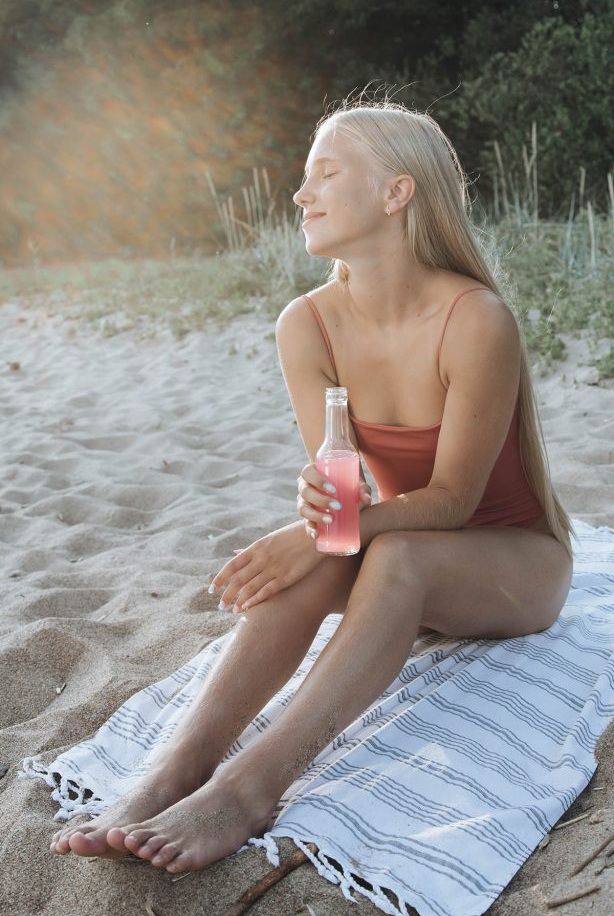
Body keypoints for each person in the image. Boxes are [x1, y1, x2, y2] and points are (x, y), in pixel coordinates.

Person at [49, 98, 574, 876]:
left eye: (325, 173)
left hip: (515, 567)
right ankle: (173, 771)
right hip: (407, 545)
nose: (302, 195)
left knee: (386, 559)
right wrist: (318, 523)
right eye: (305, 178)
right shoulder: (307, 325)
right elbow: (342, 489)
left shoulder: (474, 318)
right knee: (317, 559)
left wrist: (322, 530)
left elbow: (455, 504)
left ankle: (251, 787)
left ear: (398, 193)